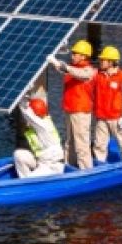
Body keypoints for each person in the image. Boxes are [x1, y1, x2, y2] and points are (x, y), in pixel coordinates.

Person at [46, 39, 96, 169]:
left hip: (81, 112)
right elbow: (64, 69)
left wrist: (62, 65)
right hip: (70, 109)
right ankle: (68, 166)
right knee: (69, 142)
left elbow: (77, 73)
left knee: (82, 144)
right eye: (73, 53)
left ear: (83, 56)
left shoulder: (88, 71)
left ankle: (86, 169)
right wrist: (54, 61)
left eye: (75, 53)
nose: (72, 55)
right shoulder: (73, 68)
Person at [92, 45, 122, 162]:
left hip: (117, 118)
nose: (100, 61)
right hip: (101, 117)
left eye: (103, 60)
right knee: (99, 145)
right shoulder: (97, 75)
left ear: (111, 62)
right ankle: (100, 165)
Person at [13, 89, 64, 178]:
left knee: (29, 180)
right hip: (41, 160)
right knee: (18, 154)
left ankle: (27, 183)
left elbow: (27, 114)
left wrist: (20, 98)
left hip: (52, 166)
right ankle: (25, 179)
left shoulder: (43, 126)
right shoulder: (40, 123)